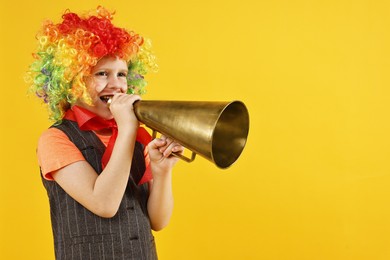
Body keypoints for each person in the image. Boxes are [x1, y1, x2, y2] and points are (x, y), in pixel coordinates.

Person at [26, 6, 183, 260]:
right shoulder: (56, 139)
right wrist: (128, 129)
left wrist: (162, 170)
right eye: (102, 74)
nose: (117, 85)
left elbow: (158, 220)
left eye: (122, 74)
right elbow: (104, 204)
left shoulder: (135, 139)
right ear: (72, 81)